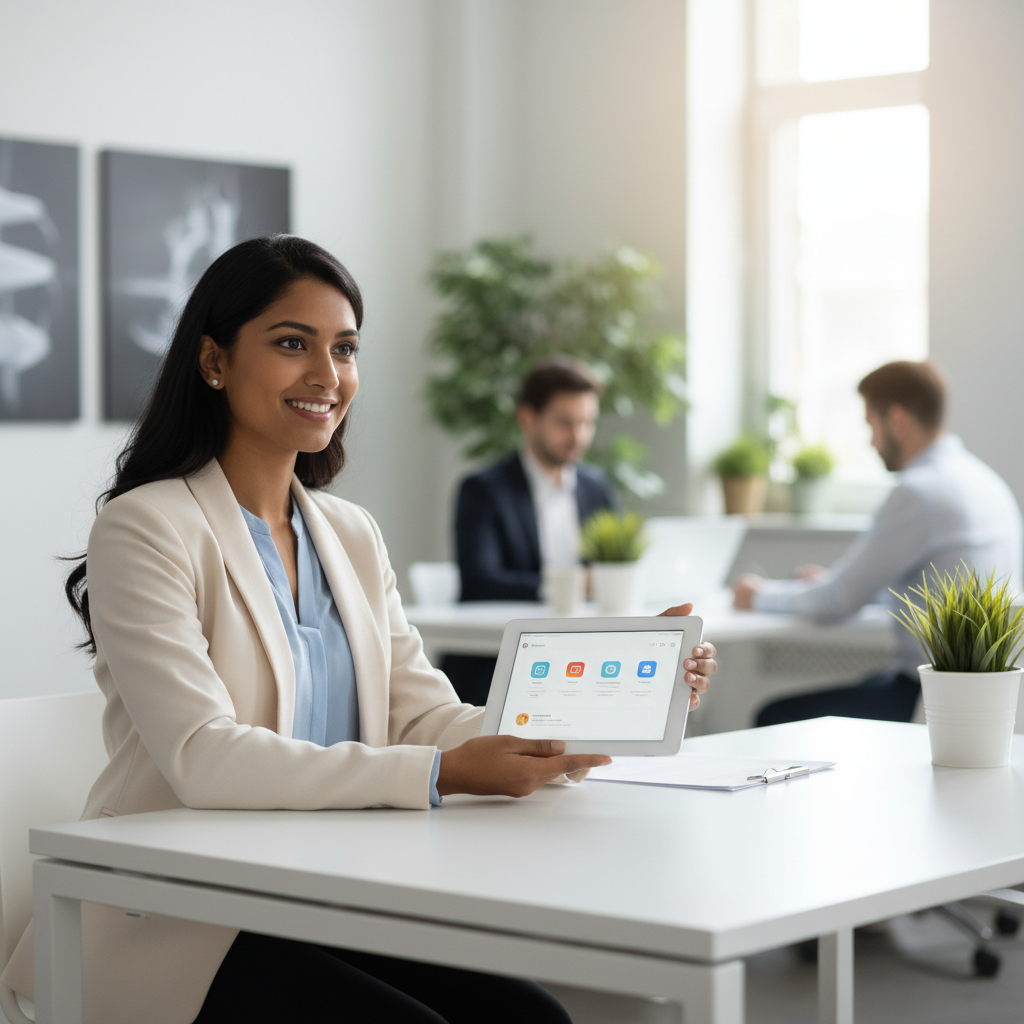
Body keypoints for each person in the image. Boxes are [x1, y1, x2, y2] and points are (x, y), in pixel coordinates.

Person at [0, 236, 718, 1024]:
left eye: (344, 349)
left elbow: (424, 715)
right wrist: (443, 774)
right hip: (182, 916)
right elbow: (206, 757)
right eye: (290, 344)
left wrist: (597, 711)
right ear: (213, 361)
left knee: (532, 1018)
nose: (326, 375)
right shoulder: (147, 529)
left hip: (327, 891)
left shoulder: (349, 532)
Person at [734, 360, 1023, 726]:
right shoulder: (985, 481)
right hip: (977, 699)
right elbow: (939, 593)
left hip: (928, 699)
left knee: (774, 715)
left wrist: (757, 595)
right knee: (869, 682)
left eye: (870, 425)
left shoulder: (919, 493)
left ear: (897, 421)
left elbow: (838, 601)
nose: (870, 441)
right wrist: (847, 587)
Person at [444, 357, 617, 702]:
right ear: (527, 418)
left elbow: (617, 565)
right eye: (565, 423)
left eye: (587, 423)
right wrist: (571, 584)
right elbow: (480, 581)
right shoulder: (484, 489)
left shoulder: (595, 488)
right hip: (498, 668)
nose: (578, 436)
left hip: (580, 659)